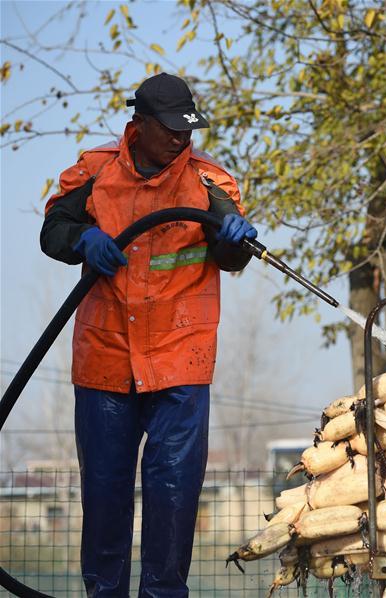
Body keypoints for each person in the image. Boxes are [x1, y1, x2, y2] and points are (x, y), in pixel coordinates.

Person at [39, 72, 257, 597]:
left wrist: (234, 240)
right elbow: (52, 232)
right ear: (139, 124)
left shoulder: (210, 185)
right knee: (105, 495)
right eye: (170, 129)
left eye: (188, 129)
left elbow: (233, 256)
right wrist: (83, 238)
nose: (182, 139)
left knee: (174, 497)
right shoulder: (93, 173)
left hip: (180, 363)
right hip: (105, 361)